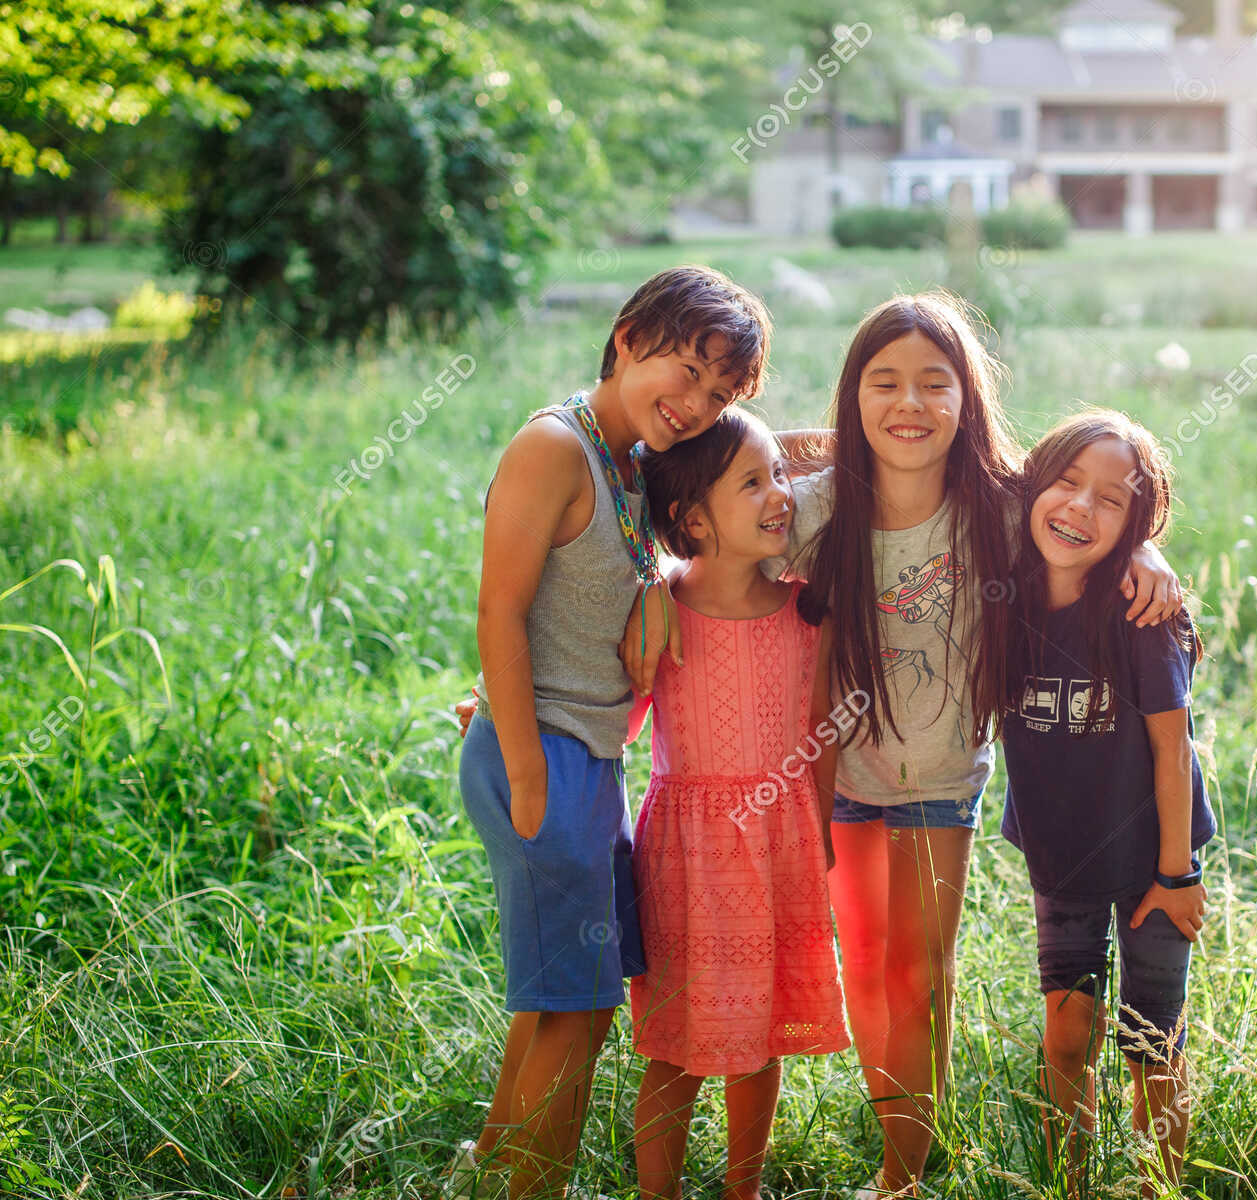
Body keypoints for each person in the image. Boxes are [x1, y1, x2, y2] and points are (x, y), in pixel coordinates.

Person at [627, 291, 1184, 1198]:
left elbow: (1084, 525)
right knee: (869, 975)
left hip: (939, 779)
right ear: (855, 397)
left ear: (967, 400)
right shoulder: (817, 508)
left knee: (920, 975)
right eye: (884, 383)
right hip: (842, 778)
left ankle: (903, 1177)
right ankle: (901, 1158)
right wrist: (658, 585)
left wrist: (1147, 554)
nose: (910, 404)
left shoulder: (1000, 509)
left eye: (935, 383)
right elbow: (719, 524)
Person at [451, 265, 771, 1200]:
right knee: (575, 1005)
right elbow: (498, 611)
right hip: (539, 754)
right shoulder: (556, 447)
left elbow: (758, 460)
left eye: (720, 394)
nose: (696, 403)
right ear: (629, 336)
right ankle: (528, 1185)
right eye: (685, 369)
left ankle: (496, 1165)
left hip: (588, 758)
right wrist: (524, 771)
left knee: (574, 1006)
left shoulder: (635, 459)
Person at [627, 408, 849, 1200]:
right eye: (753, 483)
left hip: (778, 851)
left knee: (760, 1041)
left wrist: (819, 839)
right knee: (675, 1045)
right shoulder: (657, 608)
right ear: (691, 519)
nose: (780, 494)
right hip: (685, 865)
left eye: (781, 476)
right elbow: (611, 717)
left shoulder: (805, 610)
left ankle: (742, 1190)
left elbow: (822, 734)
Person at [999, 410, 1216, 1197]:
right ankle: (1073, 1185)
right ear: (1032, 485)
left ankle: (1162, 1186)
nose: (1082, 508)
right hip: (1062, 857)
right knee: (1068, 1033)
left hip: (1156, 857)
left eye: (1112, 500)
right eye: (1067, 483)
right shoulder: (1002, 597)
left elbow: (1172, 749)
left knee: (1151, 1044)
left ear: (1137, 523)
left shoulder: (1142, 616)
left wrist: (1177, 873)